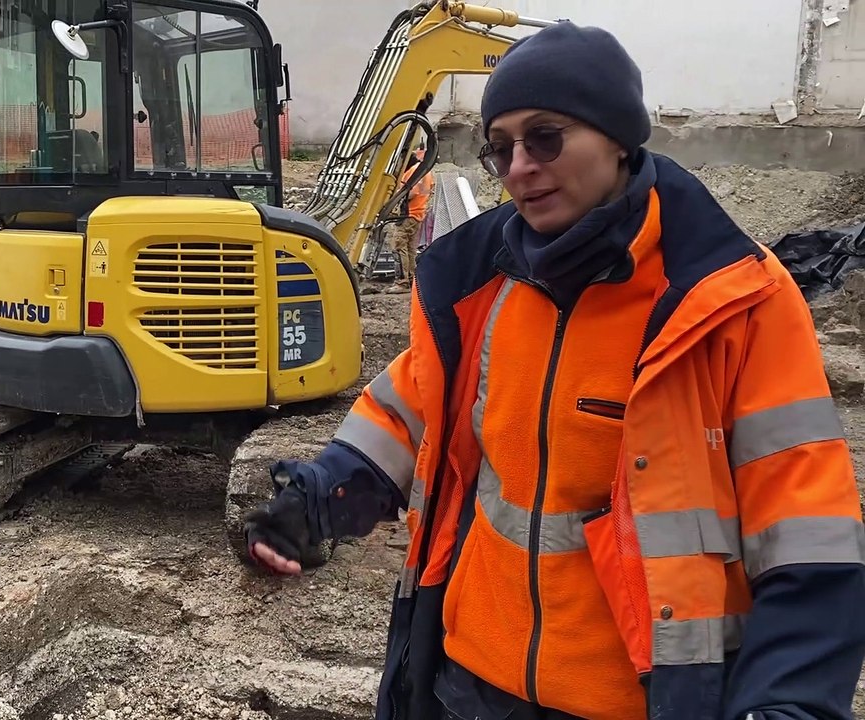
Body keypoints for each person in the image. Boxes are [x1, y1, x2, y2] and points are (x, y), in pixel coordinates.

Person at [241, 20, 865, 720]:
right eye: (499, 148)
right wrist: (317, 501)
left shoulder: (733, 300)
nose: (518, 167)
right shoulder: (479, 284)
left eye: (545, 138)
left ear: (620, 138)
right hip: (469, 683)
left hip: (632, 699)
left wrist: (790, 702)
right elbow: (410, 408)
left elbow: (806, 525)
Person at [388, 151, 433, 288]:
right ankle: (413, 280)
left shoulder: (414, 171)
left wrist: (395, 197)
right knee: (410, 249)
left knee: (398, 246)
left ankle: (402, 282)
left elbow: (412, 193)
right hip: (418, 214)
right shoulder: (427, 172)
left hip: (408, 214)